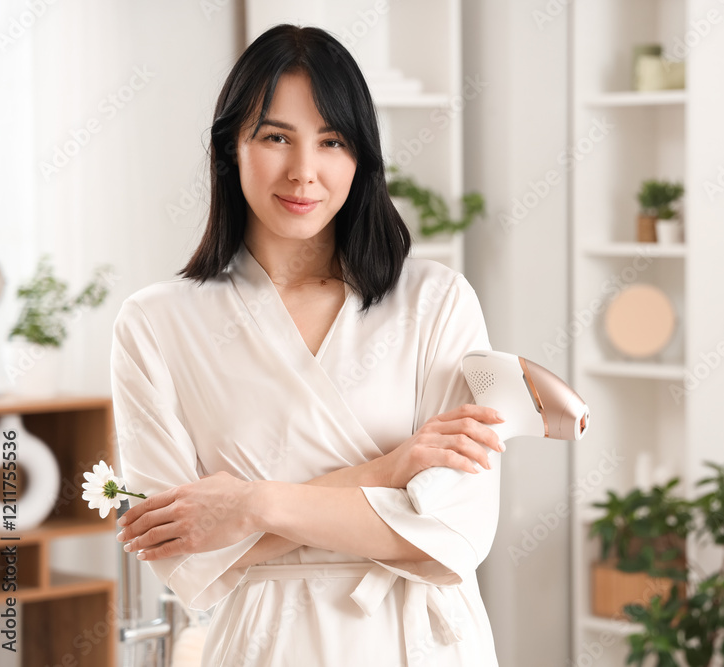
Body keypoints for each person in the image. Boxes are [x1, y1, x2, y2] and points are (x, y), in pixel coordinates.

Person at [110, 23, 503, 666]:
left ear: (360, 157)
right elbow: (183, 555)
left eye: (332, 141)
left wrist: (251, 505)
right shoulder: (156, 323)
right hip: (265, 646)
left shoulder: (436, 302)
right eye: (275, 137)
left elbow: (454, 527)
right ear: (230, 148)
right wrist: (388, 473)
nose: (304, 172)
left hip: (418, 642)